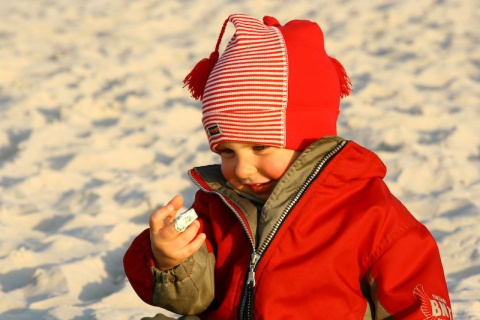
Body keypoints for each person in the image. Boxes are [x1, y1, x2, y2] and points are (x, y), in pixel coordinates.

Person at [123, 14, 452, 319]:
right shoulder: (216, 207)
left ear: (310, 140)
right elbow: (190, 300)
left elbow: (415, 304)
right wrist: (169, 260)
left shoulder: (371, 216)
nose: (242, 169)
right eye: (226, 152)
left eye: (260, 147)